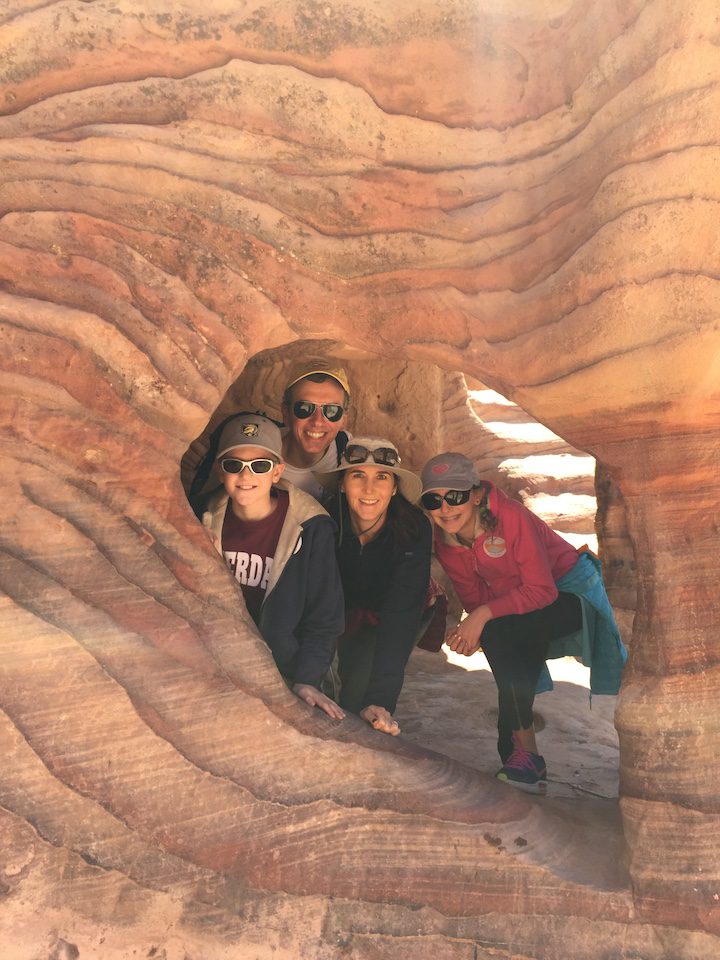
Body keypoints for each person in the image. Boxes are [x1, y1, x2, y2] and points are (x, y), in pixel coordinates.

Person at [420, 451, 626, 794]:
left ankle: (527, 754)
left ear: (474, 495)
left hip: (569, 597)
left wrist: (482, 619)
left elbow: (542, 592)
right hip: (523, 604)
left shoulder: (509, 517)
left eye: (454, 496)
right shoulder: (446, 543)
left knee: (498, 630)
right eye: (433, 499)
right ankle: (520, 753)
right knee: (502, 637)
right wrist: (476, 630)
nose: (445, 508)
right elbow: (474, 599)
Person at [202, 412, 345, 719]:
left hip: (288, 670)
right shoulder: (204, 519)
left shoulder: (311, 527)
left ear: (277, 471)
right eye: (233, 465)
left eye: (260, 465)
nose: (246, 476)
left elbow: (325, 618)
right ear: (219, 470)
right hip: (223, 665)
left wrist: (308, 680)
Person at [321, 438, 433, 736]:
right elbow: (314, 600)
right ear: (343, 484)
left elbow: (401, 617)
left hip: (390, 612)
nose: (369, 490)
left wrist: (381, 701)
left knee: (359, 701)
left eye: (381, 477)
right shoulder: (326, 522)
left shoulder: (413, 528)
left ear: (394, 488)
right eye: (358, 475)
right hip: (341, 610)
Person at [280, 359, 351, 500]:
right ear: (285, 413)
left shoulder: (348, 452)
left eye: (332, 410)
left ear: (343, 420)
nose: (317, 421)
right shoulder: (261, 456)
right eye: (304, 408)